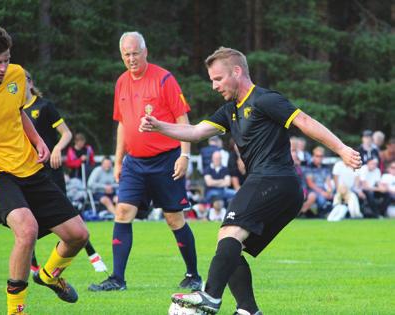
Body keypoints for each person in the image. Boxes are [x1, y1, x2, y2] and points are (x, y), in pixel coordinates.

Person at [139, 46, 362, 315]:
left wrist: (340, 149)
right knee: (231, 247)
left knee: (229, 233)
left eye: (218, 79)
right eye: (212, 80)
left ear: (237, 71)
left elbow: (303, 120)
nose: (214, 86)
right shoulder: (229, 110)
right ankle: (248, 310)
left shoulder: (265, 100)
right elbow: (196, 131)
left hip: (275, 179)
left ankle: (210, 296)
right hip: (278, 187)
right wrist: (159, 125)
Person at [0, 26, 89, 315]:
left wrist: (38, 140)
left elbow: (18, 112)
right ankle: (16, 311)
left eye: (6, 60)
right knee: (27, 230)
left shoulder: (16, 75)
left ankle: (50, 275)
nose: (3, 68)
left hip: (29, 167)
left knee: (78, 235)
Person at [88, 31, 202, 292]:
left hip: (167, 160)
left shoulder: (164, 79)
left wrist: (185, 155)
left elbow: (183, 121)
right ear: (121, 56)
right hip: (134, 163)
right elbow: (122, 124)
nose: (131, 59)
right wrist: (118, 161)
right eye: (126, 54)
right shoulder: (121, 82)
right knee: (122, 212)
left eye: (135, 53)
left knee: (174, 218)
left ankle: (193, 275)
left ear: (145, 51)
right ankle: (117, 279)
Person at [23, 71, 107, 273]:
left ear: (30, 83)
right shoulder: (12, 110)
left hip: (50, 169)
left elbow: (66, 133)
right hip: (26, 170)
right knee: (28, 218)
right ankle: (33, 265)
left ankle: (93, 256)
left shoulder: (44, 106)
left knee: (67, 212)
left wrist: (58, 149)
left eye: (21, 81)